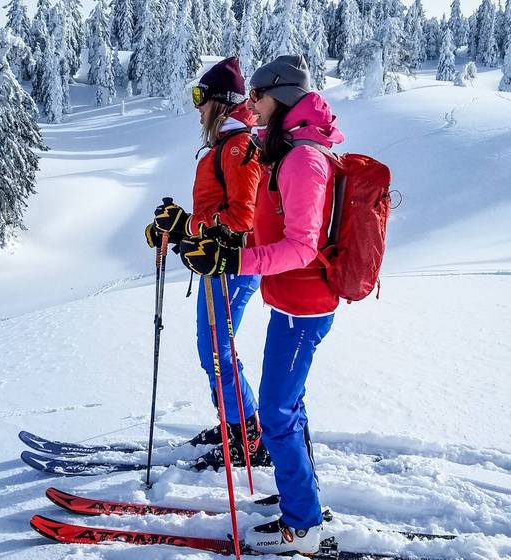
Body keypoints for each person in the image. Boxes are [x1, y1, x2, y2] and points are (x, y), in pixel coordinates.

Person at [178, 54, 345, 555]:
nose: (251, 106)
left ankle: (305, 526)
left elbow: (302, 246)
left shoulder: (304, 159)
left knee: (275, 412)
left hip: (305, 304)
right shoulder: (291, 149)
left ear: (283, 95)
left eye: (259, 97)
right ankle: (304, 504)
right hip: (291, 300)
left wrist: (233, 261)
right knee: (286, 408)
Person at [145, 57, 271, 470]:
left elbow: (243, 218)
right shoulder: (226, 145)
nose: (197, 106)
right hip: (218, 265)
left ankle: (248, 437)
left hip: (233, 266)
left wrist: (188, 225)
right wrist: (177, 230)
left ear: (220, 101)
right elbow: (217, 215)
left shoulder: (238, 147)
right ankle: (236, 423)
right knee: (215, 350)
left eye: (202, 96)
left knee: (217, 351)